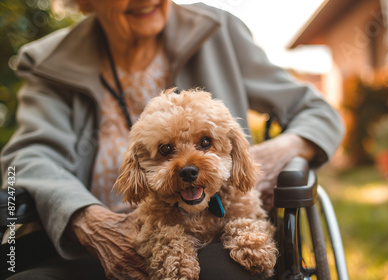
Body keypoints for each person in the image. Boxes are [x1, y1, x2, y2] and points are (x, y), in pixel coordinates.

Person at [0, 0, 345, 279]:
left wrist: (276, 152)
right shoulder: (47, 62)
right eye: (165, 150)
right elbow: (29, 157)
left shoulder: (218, 32)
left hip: (215, 241)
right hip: (89, 246)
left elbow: (318, 112)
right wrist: (86, 220)